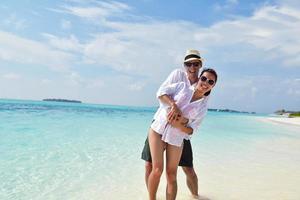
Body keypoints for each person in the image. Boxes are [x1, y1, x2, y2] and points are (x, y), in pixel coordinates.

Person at [147, 68, 218, 200]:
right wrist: (173, 105)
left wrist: (179, 125)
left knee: (171, 174)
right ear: (199, 78)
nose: (205, 82)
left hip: (176, 137)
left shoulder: (202, 108)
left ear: (213, 86)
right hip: (158, 129)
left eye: (210, 81)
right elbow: (161, 93)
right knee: (157, 170)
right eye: (203, 78)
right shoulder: (182, 87)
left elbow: (192, 130)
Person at [142, 49, 203, 197]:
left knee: (187, 169)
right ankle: (151, 195)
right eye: (189, 64)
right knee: (151, 166)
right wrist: (173, 105)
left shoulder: (204, 83)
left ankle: (196, 196)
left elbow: (198, 114)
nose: (192, 68)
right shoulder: (178, 75)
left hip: (180, 131)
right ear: (184, 65)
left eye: (195, 64)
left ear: (200, 65)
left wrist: (181, 123)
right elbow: (161, 93)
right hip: (161, 123)